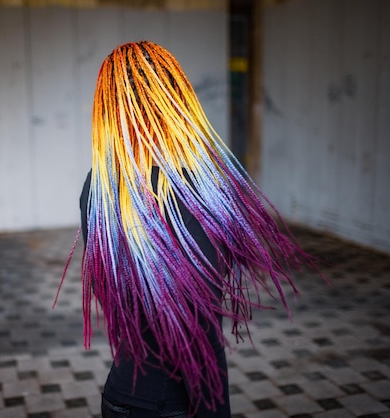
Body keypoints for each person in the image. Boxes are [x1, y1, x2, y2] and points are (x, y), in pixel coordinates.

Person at [57, 41, 314, 417]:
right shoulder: (192, 193)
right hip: (172, 405)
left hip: (119, 395)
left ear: (109, 108)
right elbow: (197, 334)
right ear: (175, 100)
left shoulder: (97, 187)